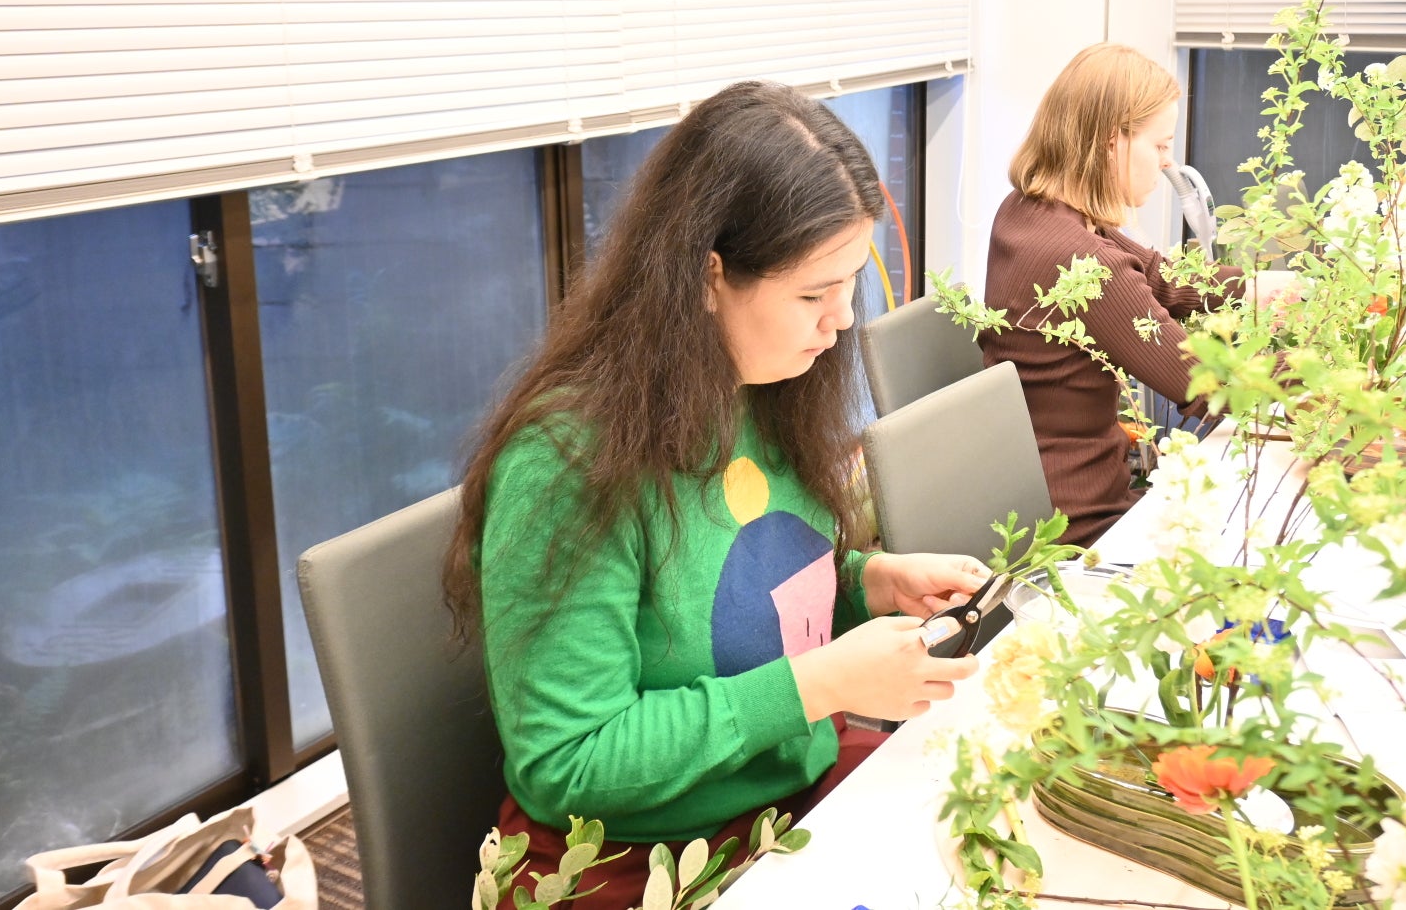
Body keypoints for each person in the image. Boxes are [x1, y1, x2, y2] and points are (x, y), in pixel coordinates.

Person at [444, 82, 986, 898]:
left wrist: (866, 583)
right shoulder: (567, 462)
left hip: (787, 794)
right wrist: (822, 685)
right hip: (634, 858)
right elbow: (569, 760)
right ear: (706, 277)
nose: (842, 319)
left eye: (850, 283)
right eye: (813, 293)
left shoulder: (764, 390)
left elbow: (728, 600)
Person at [980, 44, 1237, 546]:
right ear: (1113, 141)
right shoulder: (1079, 259)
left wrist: (1262, 290)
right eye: (1160, 145)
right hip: (1080, 524)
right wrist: (1335, 381)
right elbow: (1205, 383)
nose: (1167, 163)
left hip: (1042, 492)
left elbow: (1156, 277)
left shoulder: (1030, 209)